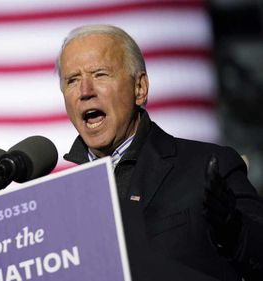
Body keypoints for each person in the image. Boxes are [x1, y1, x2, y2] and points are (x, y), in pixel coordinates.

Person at [56, 24, 263, 280]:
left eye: (100, 74)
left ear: (139, 88)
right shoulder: (60, 206)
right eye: (72, 80)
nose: (85, 92)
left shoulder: (208, 167)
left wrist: (234, 231)